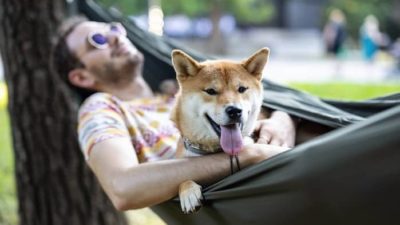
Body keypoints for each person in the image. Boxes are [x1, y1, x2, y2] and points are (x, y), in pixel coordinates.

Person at [50, 16, 298, 211]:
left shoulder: (173, 90)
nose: (114, 38)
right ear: (81, 76)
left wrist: (283, 119)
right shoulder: (102, 109)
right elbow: (122, 188)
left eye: (114, 29)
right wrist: (247, 155)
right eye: (97, 40)